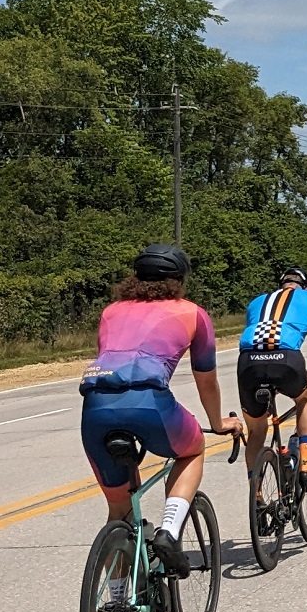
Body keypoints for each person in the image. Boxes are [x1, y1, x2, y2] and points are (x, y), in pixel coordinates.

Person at [79, 246, 237, 576]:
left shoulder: (110, 311)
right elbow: (205, 380)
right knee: (192, 450)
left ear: (135, 278)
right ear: (179, 280)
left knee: (119, 512)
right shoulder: (193, 313)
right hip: (149, 403)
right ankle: (169, 530)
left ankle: (120, 605)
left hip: (95, 405)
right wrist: (217, 423)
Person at [236, 264, 307, 491]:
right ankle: (306, 468)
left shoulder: (256, 302)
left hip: (247, 362)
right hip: (286, 359)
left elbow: (261, 339)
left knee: (257, 430)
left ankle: (256, 495)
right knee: (304, 401)